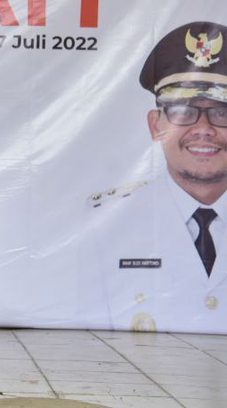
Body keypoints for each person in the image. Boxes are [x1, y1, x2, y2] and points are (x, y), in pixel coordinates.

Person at [82, 20, 227, 334]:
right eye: (183, 111)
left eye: (222, 112)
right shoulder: (102, 224)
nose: (203, 128)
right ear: (155, 125)